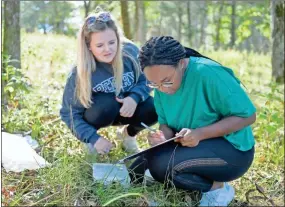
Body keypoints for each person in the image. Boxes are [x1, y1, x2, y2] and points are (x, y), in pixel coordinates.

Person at [129, 36, 256, 206]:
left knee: (162, 167)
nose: (161, 89)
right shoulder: (161, 81)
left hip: (233, 151)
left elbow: (247, 116)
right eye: (153, 84)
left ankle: (217, 189)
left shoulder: (209, 73)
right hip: (192, 144)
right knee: (135, 170)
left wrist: (199, 134)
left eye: (167, 82)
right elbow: (166, 123)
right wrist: (163, 137)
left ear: (181, 63)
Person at [60, 10, 157, 155]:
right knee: (106, 104)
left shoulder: (130, 52)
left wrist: (134, 97)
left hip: (129, 109)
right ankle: (92, 144)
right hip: (101, 113)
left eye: (112, 42)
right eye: (99, 45)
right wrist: (93, 138)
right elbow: (69, 113)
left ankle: (128, 136)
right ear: (89, 46)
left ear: (118, 38)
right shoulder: (80, 72)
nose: (108, 49)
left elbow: (149, 79)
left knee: (154, 107)